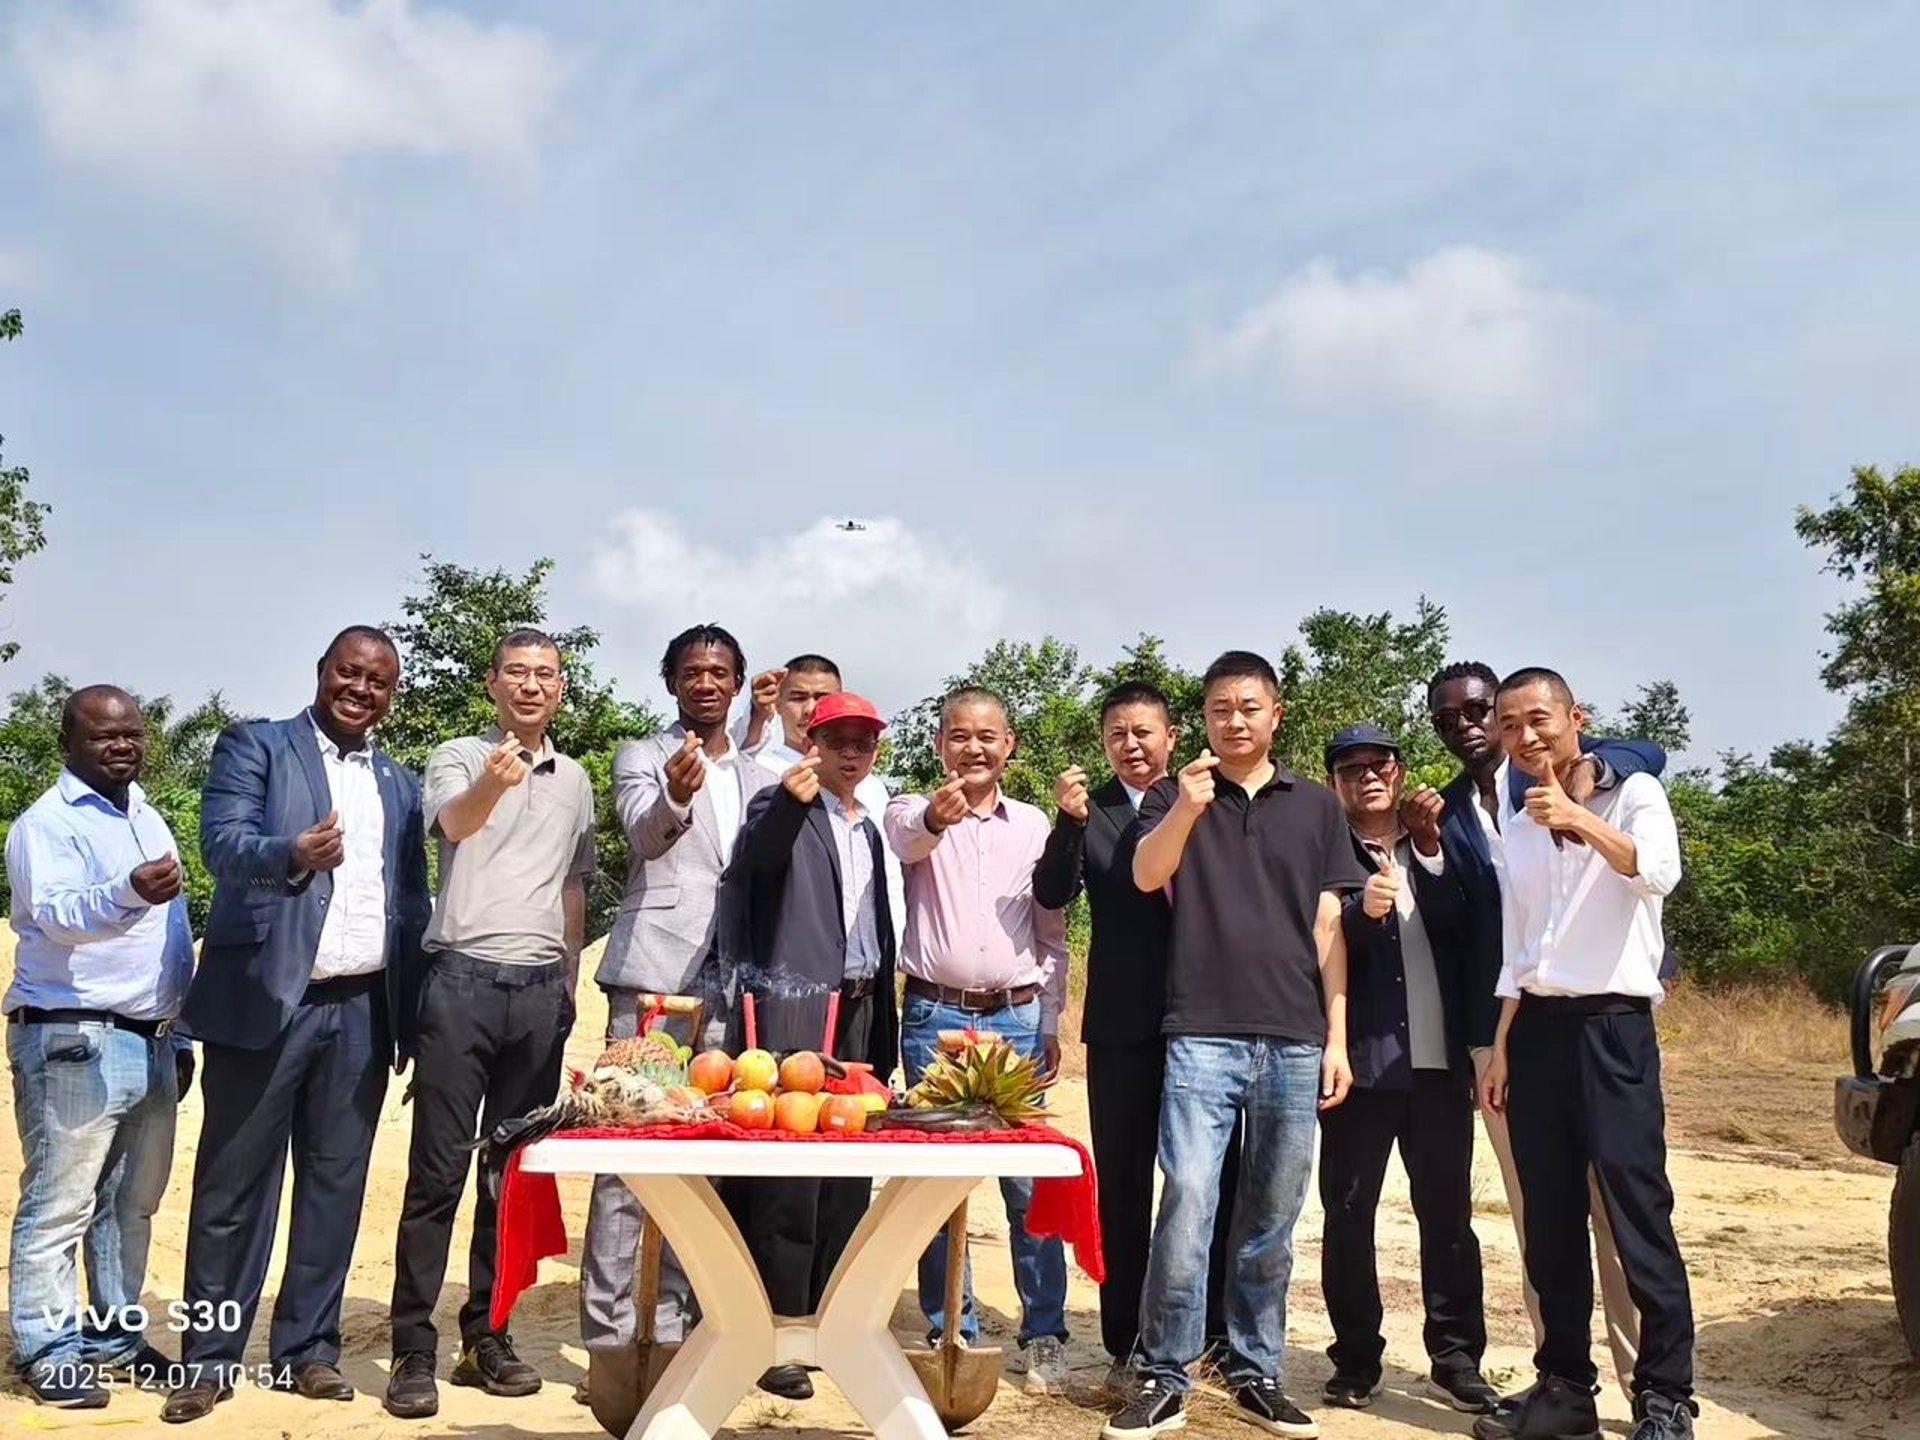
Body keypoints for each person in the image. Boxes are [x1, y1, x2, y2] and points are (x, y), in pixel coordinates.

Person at [166, 628, 430, 1423]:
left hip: (361, 1010)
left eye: (379, 681)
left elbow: (409, 901)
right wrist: (292, 852)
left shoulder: (398, 782)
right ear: (322, 673)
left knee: (334, 1188)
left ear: (392, 694)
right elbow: (222, 845)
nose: (361, 689)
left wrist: (407, 1018)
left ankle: (307, 1352)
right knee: (230, 1189)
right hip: (264, 1005)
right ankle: (209, 1359)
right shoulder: (258, 745)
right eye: (349, 673)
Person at [1105, 651, 1367, 1440]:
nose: (1236, 721)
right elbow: (1148, 877)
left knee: (1271, 1214)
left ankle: (1258, 1369)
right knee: (1186, 1199)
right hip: (1201, 1032)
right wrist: (1186, 808)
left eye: (1250, 707)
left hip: (1293, 1036)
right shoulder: (1175, 795)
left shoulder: (1318, 807)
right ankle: (1162, 1373)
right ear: (1206, 718)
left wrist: (1338, 1038)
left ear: (1276, 715)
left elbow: (1330, 928)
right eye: (1221, 709)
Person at [1421, 660, 1667, 1397]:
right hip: (1509, 1026)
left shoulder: (1581, 774)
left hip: (1597, 1020)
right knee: (1542, 1217)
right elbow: (1476, 929)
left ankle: (1647, 1381)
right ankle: (1562, 1380)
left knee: (1623, 1215)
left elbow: (1645, 756)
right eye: (1449, 719)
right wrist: (1428, 850)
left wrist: (1591, 779)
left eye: (1478, 711)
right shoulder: (1453, 810)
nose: (1467, 727)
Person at [1474, 667, 1695, 1440]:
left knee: (1640, 1212)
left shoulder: (1632, 794)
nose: (1526, 735)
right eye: (1510, 724)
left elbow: (1659, 873)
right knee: (1552, 1220)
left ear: (1576, 718)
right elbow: (1520, 942)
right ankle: (1565, 1388)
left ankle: (1666, 1399)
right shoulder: (1518, 817)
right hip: (1536, 1031)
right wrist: (1502, 1044)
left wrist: (1581, 817)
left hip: (1614, 1029)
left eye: (1539, 719)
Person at [386, 628, 596, 1420]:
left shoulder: (575, 779)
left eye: (546, 674)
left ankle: (489, 1334)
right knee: (437, 1172)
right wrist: (495, 783)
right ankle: (413, 1344)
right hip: (462, 982)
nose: (532, 686)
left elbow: (574, 885)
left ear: (561, 687)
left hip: (540, 989)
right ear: (493, 684)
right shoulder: (460, 755)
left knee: (509, 1177)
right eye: (518, 673)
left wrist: (570, 978)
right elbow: (454, 827)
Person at [582, 623, 777, 1411]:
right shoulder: (641, 755)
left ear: (736, 684)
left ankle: (677, 1329)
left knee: (707, 1158)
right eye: (692, 671)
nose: (706, 683)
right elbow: (644, 833)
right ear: (670, 683)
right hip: (655, 978)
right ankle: (607, 1333)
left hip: (740, 982)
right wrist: (678, 793)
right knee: (629, 1156)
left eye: (720, 672)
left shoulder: (764, 770)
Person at [1032, 681, 1239, 1394]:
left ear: (1172, 736)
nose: (1132, 744)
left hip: (1209, 1022)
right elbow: (1052, 893)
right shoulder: (1096, 816)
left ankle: (1206, 1333)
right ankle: (1125, 1334)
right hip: (1123, 1024)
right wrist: (1066, 823)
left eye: (1144, 731)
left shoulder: (1209, 804)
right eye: (1118, 733)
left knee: (1207, 1183)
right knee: (1122, 1184)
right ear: (1104, 743)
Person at [5, 686, 195, 1409]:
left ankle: (115, 1337)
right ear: (69, 745)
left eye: (133, 734)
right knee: (61, 1200)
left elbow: (170, 938)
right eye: (104, 737)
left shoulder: (146, 815)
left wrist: (182, 1030)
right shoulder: (44, 824)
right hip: (73, 1036)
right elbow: (56, 917)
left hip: (151, 1039)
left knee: (131, 1204)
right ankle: (49, 1348)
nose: (123, 746)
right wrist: (127, 891)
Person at [884, 686, 1071, 1393]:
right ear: (940, 745)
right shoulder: (910, 809)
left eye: (987, 736)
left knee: (1028, 1186)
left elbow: (1051, 932)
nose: (974, 747)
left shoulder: (1033, 825)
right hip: (936, 1019)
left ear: (1010, 745)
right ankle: (950, 1322)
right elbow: (905, 839)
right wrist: (937, 814)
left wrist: (1051, 1018)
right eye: (959, 735)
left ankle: (1046, 1332)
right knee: (938, 1186)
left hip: (1015, 1019)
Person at [718, 692, 900, 1398]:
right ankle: (772, 1331)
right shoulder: (778, 803)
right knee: (788, 1180)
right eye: (837, 739)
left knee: (847, 1175)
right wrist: (792, 806)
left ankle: (827, 1322)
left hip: (857, 1009)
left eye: (864, 741)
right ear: (810, 743)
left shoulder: (869, 828)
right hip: (796, 1011)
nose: (851, 751)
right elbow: (755, 868)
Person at [1319, 724, 1496, 1414]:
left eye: (1379, 763)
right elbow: (1327, 949)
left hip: (1440, 1067)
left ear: (1399, 770)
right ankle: (1356, 1360)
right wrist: (1363, 912)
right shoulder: (1326, 851)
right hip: (1362, 1066)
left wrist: (1426, 848)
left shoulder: (1442, 834)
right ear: (1334, 781)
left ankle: (1456, 1359)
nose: (1366, 775)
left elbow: (1468, 925)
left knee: (1448, 1215)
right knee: (1350, 1213)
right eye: (1350, 767)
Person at [734, 654, 904, 953]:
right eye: (797, 697)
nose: (810, 709)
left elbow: (888, 876)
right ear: (775, 703)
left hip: (868, 961)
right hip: (797, 961)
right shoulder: (758, 771)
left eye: (822, 698)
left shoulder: (873, 789)